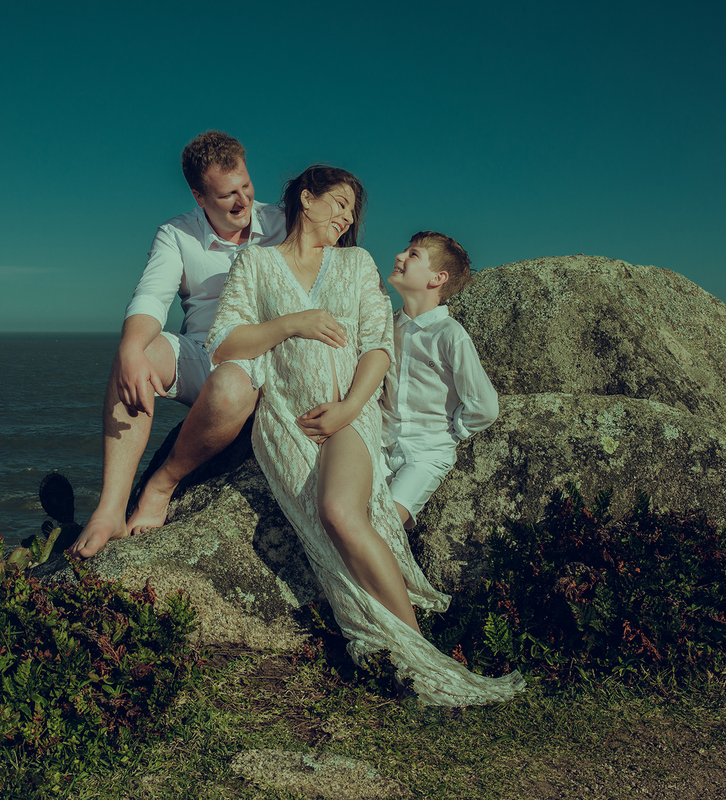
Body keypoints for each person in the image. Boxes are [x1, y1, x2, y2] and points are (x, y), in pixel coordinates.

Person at [206, 165, 524, 705]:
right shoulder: (255, 263)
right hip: (284, 422)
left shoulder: (356, 264)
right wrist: (293, 323)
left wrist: (349, 409)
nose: (346, 217)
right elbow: (225, 343)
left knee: (339, 512)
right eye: (338, 203)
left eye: (352, 211)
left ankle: (421, 653)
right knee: (327, 530)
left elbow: (378, 345)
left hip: (349, 415)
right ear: (306, 199)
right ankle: (405, 651)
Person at [67, 131, 287, 559]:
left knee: (232, 385)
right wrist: (130, 349)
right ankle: (110, 510)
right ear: (199, 197)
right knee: (137, 356)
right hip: (204, 352)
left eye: (246, 186)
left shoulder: (282, 222)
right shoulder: (177, 233)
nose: (243, 201)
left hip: (265, 361)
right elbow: (151, 296)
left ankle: (161, 485)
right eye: (227, 195)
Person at [382, 232, 499, 531]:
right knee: (349, 516)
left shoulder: (449, 333)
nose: (399, 256)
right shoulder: (388, 326)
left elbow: (485, 407)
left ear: (437, 278)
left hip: (426, 454)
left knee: (385, 525)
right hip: (380, 447)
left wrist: (453, 430)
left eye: (413, 254)